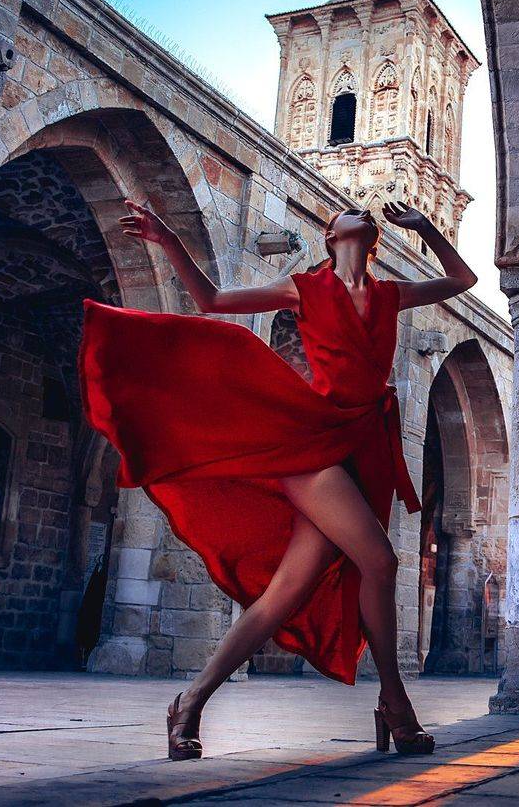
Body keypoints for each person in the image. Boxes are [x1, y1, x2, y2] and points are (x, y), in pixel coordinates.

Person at [77, 197, 476, 759]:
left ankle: (189, 701)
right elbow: (211, 300)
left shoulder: (391, 295)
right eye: (345, 213)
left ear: (371, 239)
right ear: (330, 234)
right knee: (380, 562)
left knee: (283, 595)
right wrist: (167, 239)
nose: (358, 211)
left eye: (364, 213)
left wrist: (427, 227)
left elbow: (464, 278)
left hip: (366, 447)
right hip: (313, 441)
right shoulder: (304, 289)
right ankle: (394, 701)